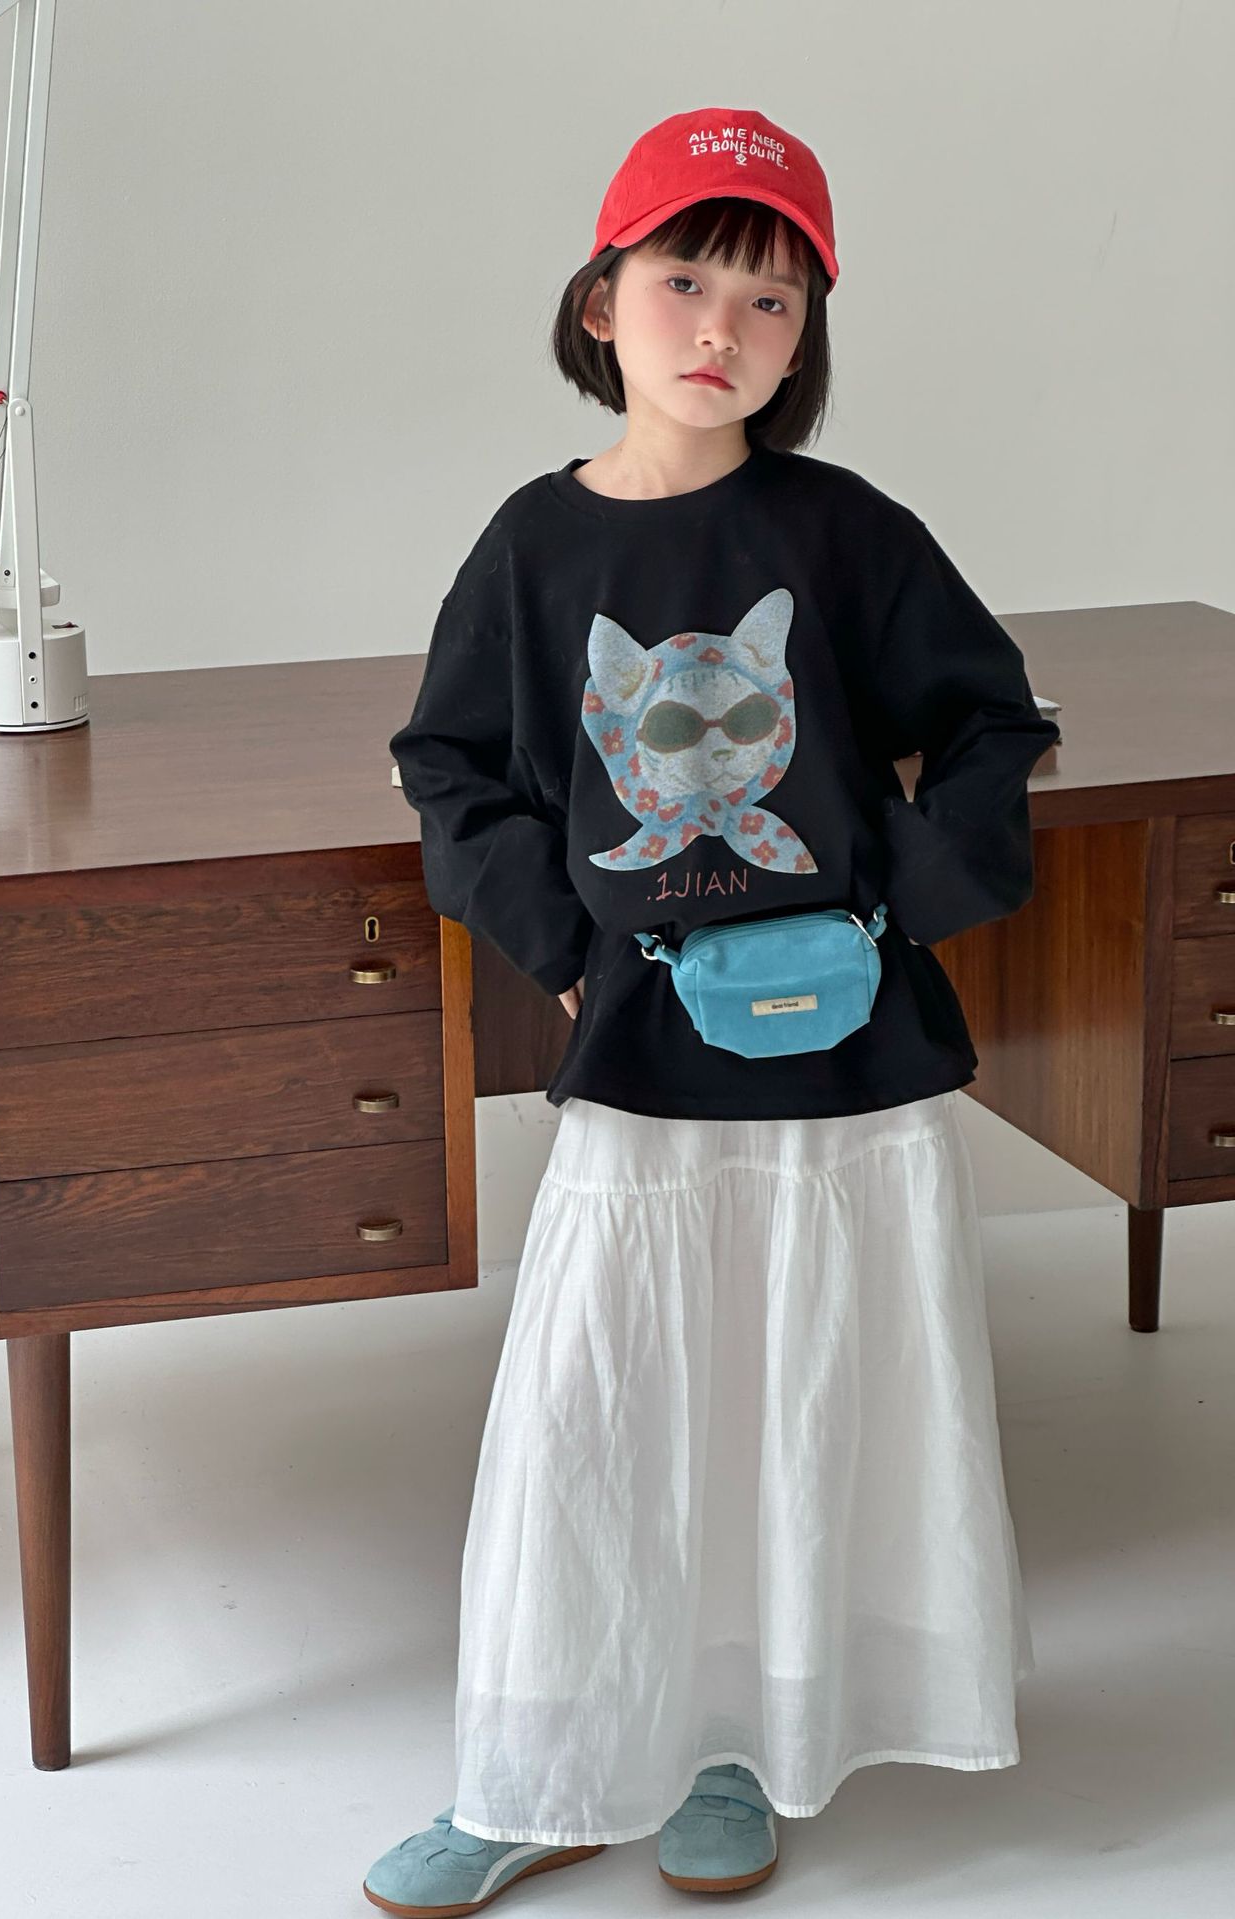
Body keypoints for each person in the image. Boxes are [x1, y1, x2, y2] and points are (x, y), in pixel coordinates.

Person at [364, 105, 1060, 1915]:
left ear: (804, 337)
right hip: (644, 1043)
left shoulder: (846, 533)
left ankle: (747, 1739)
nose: (722, 330)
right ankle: (537, 1766)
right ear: (602, 300)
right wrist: (564, 944)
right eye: (686, 282)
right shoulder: (534, 549)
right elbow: (450, 765)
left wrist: (901, 905)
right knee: (597, 1399)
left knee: (806, 1386)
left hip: (848, 1054)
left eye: (771, 301)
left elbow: (996, 721)